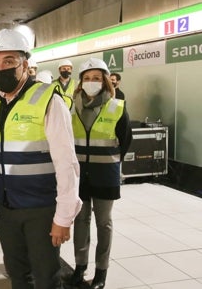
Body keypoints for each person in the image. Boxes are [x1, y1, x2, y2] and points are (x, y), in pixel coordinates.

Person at [0, 29, 82, 289]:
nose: (0, 68)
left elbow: (67, 163)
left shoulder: (48, 100)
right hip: (6, 207)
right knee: (18, 275)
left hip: (41, 209)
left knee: (47, 278)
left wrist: (63, 218)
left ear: (25, 64)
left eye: (8, 61)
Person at [69, 58, 132, 289]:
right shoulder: (71, 106)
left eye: (96, 78)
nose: (91, 82)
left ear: (105, 81)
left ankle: (101, 272)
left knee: (103, 222)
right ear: (81, 81)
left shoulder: (117, 106)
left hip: (105, 174)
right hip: (78, 175)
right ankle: (79, 267)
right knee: (80, 221)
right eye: (87, 78)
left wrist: (111, 162)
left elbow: (125, 140)